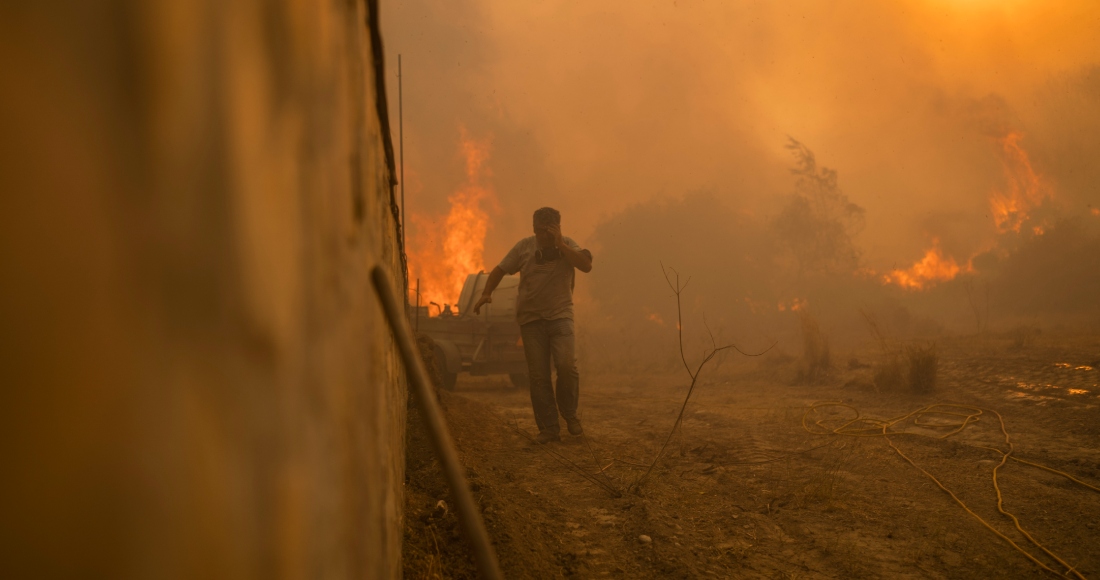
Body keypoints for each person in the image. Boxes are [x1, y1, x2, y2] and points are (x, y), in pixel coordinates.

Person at [473, 207, 593, 443]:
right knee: (538, 376)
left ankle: (569, 414)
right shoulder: (524, 247)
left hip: (561, 317)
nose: (544, 237)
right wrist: (487, 292)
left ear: (558, 228)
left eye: (549, 232)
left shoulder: (568, 245)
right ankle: (549, 428)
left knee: (567, 366)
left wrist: (561, 245)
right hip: (531, 321)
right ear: (534, 229)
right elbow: (499, 270)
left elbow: (586, 265)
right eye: (540, 231)